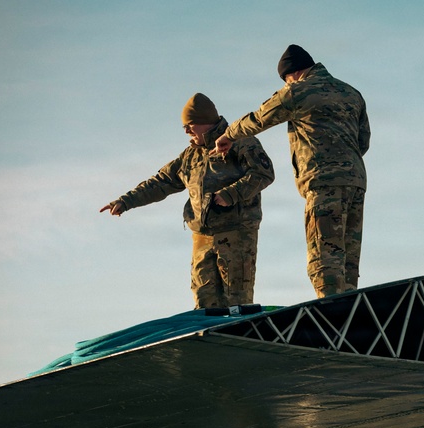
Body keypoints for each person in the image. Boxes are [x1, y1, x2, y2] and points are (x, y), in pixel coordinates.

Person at [213, 44, 370, 298]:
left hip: (322, 182)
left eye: (286, 80)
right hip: (356, 182)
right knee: (348, 258)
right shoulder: (352, 93)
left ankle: (331, 313)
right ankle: (349, 308)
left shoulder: (298, 92)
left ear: (292, 74)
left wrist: (229, 135)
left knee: (325, 254)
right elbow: (363, 141)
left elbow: (261, 117)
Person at [101, 93, 274, 309]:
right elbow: (161, 182)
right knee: (203, 305)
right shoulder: (190, 156)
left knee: (236, 301)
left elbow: (263, 174)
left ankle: (237, 340)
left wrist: (231, 194)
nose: (186, 131)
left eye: (190, 125)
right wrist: (126, 201)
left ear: (206, 123)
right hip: (201, 238)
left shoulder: (240, 142)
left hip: (235, 233)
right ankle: (206, 341)